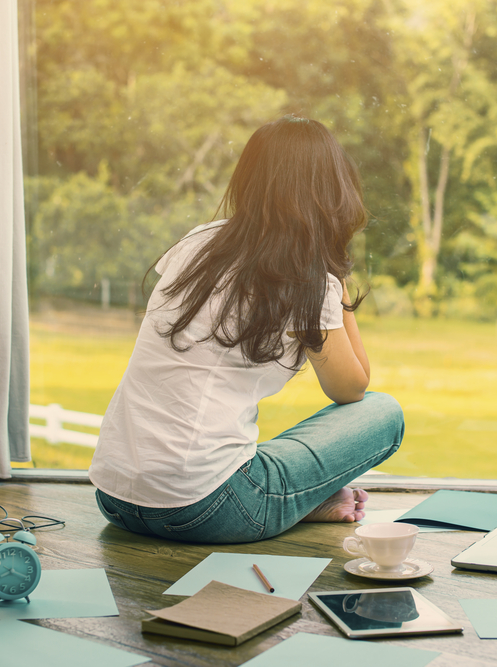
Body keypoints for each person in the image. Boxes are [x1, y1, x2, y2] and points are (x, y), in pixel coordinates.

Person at [88, 116, 404, 544]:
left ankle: (297, 498)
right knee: (384, 413)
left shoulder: (197, 244)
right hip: (207, 509)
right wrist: (334, 269)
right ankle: (293, 499)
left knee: (240, 450)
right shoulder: (310, 277)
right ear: (332, 191)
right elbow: (352, 389)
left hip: (115, 497)